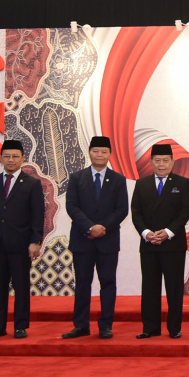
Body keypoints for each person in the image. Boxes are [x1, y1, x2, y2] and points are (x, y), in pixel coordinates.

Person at [0, 139, 44, 339]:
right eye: (7, 156)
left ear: (22, 158)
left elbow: (37, 215)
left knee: (21, 286)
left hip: (21, 244)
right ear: (0, 158)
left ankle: (20, 326)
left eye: (15, 156)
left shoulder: (32, 184)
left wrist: (35, 241)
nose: (11, 160)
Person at [63, 136, 129, 340]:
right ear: (89, 153)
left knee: (108, 283)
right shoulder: (76, 178)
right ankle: (81, 325)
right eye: (96, 151)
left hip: (107, 241)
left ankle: (105, 326)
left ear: (110, 155)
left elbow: (122, 210)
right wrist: (91, 227)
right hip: (83, 239)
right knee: (83, 283)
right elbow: (72, 206)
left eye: (104, 152)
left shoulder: (118, 179)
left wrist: (103, 228)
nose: (99, 155)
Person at [130, 143, 189, 339]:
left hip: (173, 244)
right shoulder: (142, 184)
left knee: (174, 288)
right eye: (157, 160)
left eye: (165, 160)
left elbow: (185, 212)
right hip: (149, 244)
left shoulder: (182, 183)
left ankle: (174, 328)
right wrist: (146, 233)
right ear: (150, 162)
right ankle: (150, 328)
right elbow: (136, 212)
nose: (161, 164)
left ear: (173, 162)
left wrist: (167, 232)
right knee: (149, 287)